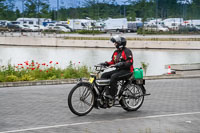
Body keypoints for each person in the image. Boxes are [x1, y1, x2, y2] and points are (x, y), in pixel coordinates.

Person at [100, 35, 134, 100]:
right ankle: (103, 94)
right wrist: (106, 63)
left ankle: (112, 95)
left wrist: (121, 64)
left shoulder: (127, 51)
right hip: (119, 70)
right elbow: (113, 61)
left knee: (114, 76)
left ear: (120, 43)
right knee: (104, 75)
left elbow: (129, 62)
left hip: (127, 71)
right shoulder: (116, 52)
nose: (114, 44)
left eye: (115, 43)